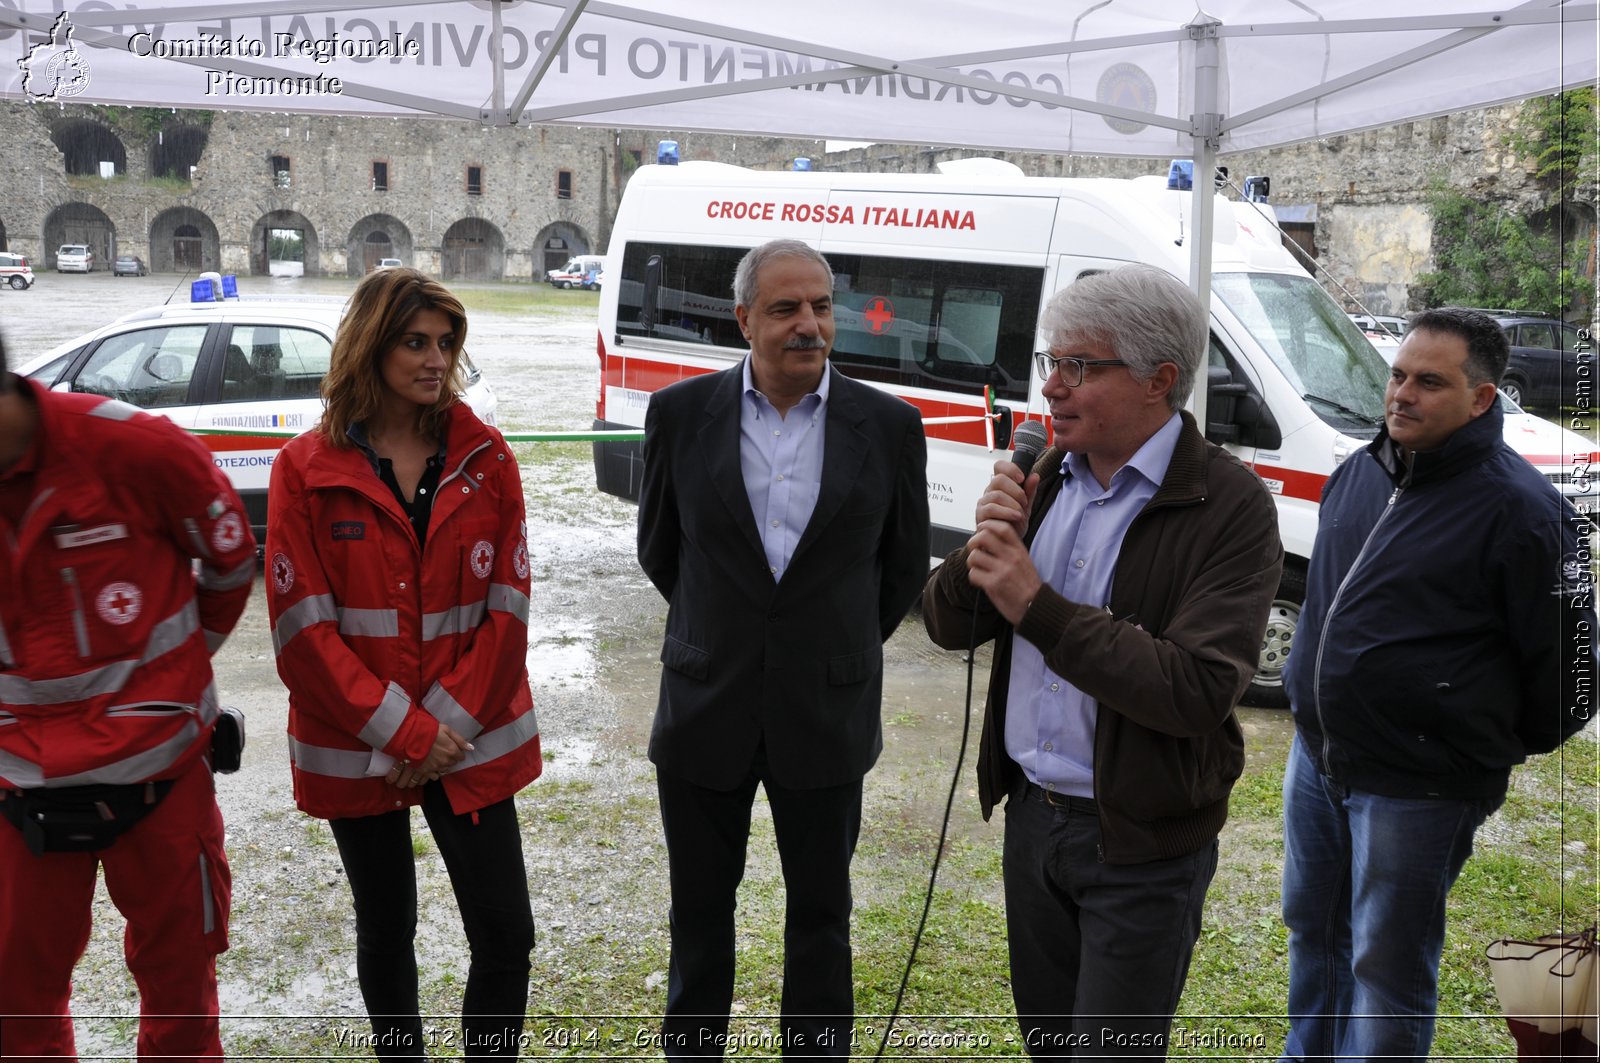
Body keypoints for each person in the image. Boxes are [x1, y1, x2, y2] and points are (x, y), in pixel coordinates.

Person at [922, 264, 1283, 1059]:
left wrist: (1037, 605)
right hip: (1034, 822)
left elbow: (1195, 688)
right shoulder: (1046, 474)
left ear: (1160, 379)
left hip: (1142, 843)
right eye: (1052, 363)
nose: (1052, 387)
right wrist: (982, 541)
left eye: (1078, 367)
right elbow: (948, 624)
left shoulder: (1232, 508)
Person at [636, 238, 930, 1058]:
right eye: (786, 308)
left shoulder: (891, 427)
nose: (810, 324)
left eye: (822, 306)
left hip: (826, 708)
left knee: (822, 922)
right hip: (704, 704)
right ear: (743, 320)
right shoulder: (680, 414)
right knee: (697, 916)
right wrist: (730, 633)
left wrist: (822, 642)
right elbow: (662, 550)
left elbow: (902, 566)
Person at [1278, 307, 1595, 1062]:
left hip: (1418, 787)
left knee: (1385, 964)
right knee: (1314, 934)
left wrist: (1463, 742)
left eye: (1429, 382)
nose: (1402, 395)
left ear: (1482, 398)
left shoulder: (1526, 513)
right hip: (1318, 761)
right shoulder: (1359, 472)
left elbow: (1569, 677)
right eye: (1396, 375)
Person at [266, 268, 543, 1060]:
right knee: (386, 930)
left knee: (505, 932)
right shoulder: (305, 470)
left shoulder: (488, 458)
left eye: (446, 342)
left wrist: (439, 732)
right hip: (366, 746)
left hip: (469, 740)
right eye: (415, 341)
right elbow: (302, 630)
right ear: (370, 345)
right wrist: (404, 732)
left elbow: (507, 610)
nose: (436, 358)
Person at [0, 331, 257, 1061]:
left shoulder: (136, 449)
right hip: (15, 793)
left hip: (161, 782)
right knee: (14, 1009)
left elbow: (231, 559)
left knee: (180, 1003)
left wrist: (172, 677)